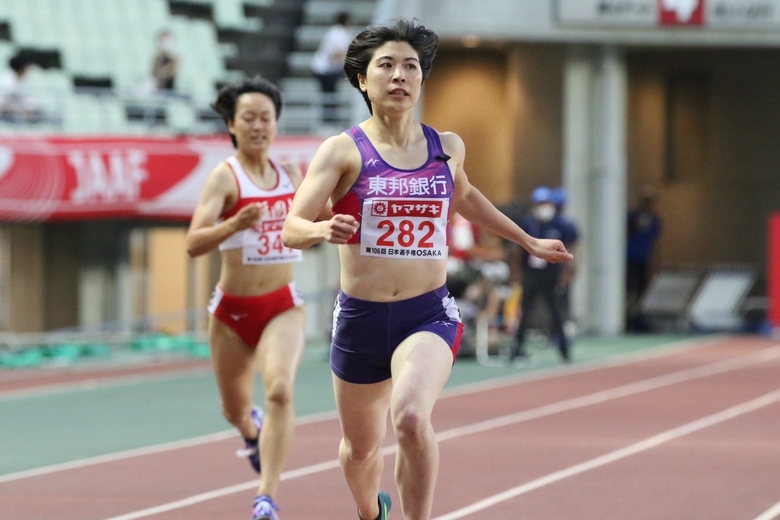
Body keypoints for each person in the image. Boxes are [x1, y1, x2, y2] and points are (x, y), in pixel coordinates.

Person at [281, 19, 572, 520]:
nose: (399, 76)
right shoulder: (343, 150)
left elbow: (469, 198)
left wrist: (526, 239)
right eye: (386, 66)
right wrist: (321, 230)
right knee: (360, 449)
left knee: (412, 418)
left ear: (421, 79)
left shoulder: (447, 147)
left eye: (410, 66)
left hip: (427, 313)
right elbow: (291, 225)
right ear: (361, 80)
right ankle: (371, 511)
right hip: (361, 317)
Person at [185, 75, 330, 520]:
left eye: (266, 118)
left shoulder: (290, 174)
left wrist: (332, 220)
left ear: (275, 124)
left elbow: (321, 214)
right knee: (233, 409)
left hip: (281, 306)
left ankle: (265, 497)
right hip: (231, 313)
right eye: (248, 118)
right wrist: (233, 225)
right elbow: (193, 243)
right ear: (231, 125)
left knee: (282, 390)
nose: (258, 126)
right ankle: (250, 432)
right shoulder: (223, 178)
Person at [507, 186, 577, 364]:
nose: (543, 207)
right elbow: (517, 250)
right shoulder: (528, 223)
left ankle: (564, 349)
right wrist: (516, 273)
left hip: (553, 273)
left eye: (546, 203)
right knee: (525, 310)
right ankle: (516, 348)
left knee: (557, 312)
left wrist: (567, 274)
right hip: (531, 272)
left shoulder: (563, 224)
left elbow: (571, 249)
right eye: (540, 203)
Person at [626, 184, 662, 331]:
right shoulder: (632, 215)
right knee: (629, 289)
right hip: (629, 258)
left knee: (642, 290)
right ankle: (628, 318)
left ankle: (638, 319)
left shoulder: (654, 218)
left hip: (643, 258)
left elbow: (654, 240)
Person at [310, 10, 352, 125]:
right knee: (330, 95)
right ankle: (329, 120)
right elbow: (334, 54)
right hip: (324, 69)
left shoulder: (333, 31)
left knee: (329, 94)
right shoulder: (340, 33)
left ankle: (329, 119)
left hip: (323, 68)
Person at [0, 53, 43, 123]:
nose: (27, 71)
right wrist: (20, 111)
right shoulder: (6, 82)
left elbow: (22, 100)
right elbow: (4, 105)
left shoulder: (21, 81)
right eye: (26, 68)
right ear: (21, 69)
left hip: (16, 114)